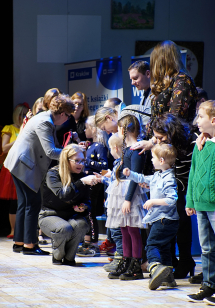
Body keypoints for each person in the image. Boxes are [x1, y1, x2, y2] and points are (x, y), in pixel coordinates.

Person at [4, 94, 75, 255]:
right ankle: (30, 245)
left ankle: (19, 242)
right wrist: (71, 152)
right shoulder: (45, 122)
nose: (67, 119)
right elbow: (50, 151)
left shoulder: (43, 116)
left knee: (24, 203)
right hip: (23, 165)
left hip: (17, 163)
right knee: (33, 203)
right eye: (68, 116)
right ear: (63, 113)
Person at [123, 143, 178, 290]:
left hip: (165, 220)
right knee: (164, 248)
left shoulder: (169, 178)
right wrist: (130, 174)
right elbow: (143, 178)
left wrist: (153, 201)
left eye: (153, 157)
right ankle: (168, 278)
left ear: (161, 160)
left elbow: (172, 199)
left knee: (151, 245)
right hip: (160, 219)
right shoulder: (157, 175)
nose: (151, 160)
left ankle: (154, 268)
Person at [151, 113, 197, 278]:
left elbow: (192, 173)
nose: (158, 141)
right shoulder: (163, 142)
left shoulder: (192, 141)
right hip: (173, 184)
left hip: (188, 186)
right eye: (155, 137)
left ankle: (185, 260)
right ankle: (170, 261)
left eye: (161, 137)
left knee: (180, 216)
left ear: (171, 132)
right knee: (166, 216)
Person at [131, 40, 198, 153]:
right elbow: (155, 117)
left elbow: (174, 119)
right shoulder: (168, 82)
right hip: (158, 144)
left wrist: (152, 141)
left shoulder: (182, 81)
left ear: (163, 60)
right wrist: (141, 138)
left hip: (173, 149)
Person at [38, 144, 98, 265]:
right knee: (64, 228)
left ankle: (69, 258)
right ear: (66, 160)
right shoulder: (53, 174)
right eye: (76, 161)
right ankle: (58, 256)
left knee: (81, 225)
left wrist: (84, 206)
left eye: (83, 161)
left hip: (71, 216)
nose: (80, 164)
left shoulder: (82, 176)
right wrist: (81, 182)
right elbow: (63, 195)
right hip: (49, 215)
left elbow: (87, 201)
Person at [105, 114, 148, 281]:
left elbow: (135, 177)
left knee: (132, 229)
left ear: (123, 130)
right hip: (121, 189)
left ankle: (136, 264)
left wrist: (128, 199)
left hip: (129, 192)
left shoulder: (136, 151)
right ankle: (126, 260)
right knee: (123, 228)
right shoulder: (127, 150)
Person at [186, 100, 215, 304]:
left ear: (213, 120)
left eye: (201, 117)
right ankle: (209, 285)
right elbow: (193, 173)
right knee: (207, 249)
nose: (197, 121)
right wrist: (190, 200)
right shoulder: (200, 145)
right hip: (201, 205)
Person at [76, 115, 108, 257]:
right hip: (88, 182)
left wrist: (88, 162)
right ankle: (87, 240)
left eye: (87, 127)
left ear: (94, 130)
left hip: (95, 183)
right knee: (87, 211)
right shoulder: (91, 146)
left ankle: (93, 242)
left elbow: (104, 165)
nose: (84, 130)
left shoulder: (100, 146)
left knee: (91, 211)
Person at [95, 133, 124, 272]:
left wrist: (102, 179)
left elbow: (115, 182)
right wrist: (102, 178)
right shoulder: (118, 163)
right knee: (115, 232)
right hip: (115, 204)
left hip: (117, 204)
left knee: (117, 232)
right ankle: (119, 257)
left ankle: (120, 259)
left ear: (115, 148)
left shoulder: (119, 163)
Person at [0, 103, 29, 239]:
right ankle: (13, 230)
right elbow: (4, 148)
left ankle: (23, 230)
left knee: (23, 199)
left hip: (25, 167)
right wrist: (19, 138)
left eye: (25, 114)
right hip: (11, 167)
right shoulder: (9, 129)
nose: (23, 117)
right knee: (14, 200)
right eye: (21, 114)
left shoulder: (29, 128)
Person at [128, 60, 151, 126]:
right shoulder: (144, 95)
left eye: (135, 78)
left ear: (148, 74)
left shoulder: (159, 95)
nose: (132, 83)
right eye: (131, 79)